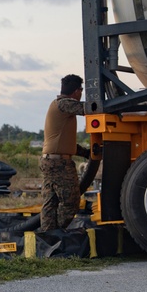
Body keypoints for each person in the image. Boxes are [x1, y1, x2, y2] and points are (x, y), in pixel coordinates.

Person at [40, 74, 88, 232]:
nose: (81, 93)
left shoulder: (57, 105)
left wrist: (86, 153)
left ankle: (48, 237)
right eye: (81, 90)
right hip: (59, 164)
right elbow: (88, 109)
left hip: (50, 160)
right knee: (71, 202)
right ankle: (57, 232)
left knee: (50, 202)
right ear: (76, 91)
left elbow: (65, 142)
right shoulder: (65, 104)